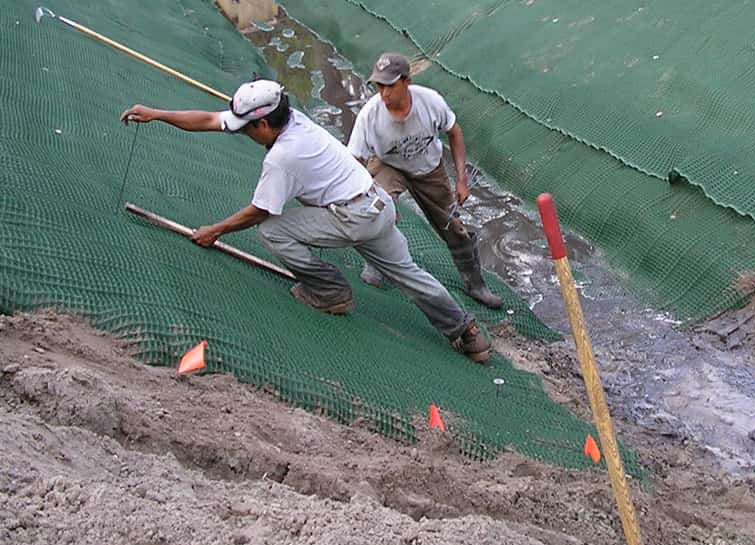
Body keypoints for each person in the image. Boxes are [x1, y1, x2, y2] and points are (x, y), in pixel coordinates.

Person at [120, 79, 491, 363]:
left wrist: (214, 231)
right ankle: (467, 333)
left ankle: (331, 293)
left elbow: (259, 212)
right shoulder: (295, 119)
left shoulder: (283, 158)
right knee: (410, 275)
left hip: (352, 217)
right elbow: (211, 119)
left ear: (263, 124)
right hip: (377, 204)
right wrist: (156, 114)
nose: (244, 133)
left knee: (272, 232)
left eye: (248, 128)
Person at [347, 53, 503, 309]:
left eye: (390, 86)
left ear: (406, 82)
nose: (384, 94)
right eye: (379, 86)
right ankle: (375, 262)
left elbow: (454, 133)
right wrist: (362, 196)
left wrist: (461, 179)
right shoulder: (370, 115)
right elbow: (354, 162)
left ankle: (475, 284)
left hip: (428, 168)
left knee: (454, 228)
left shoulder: (430, 102)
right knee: (375, 207)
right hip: (389, 164)